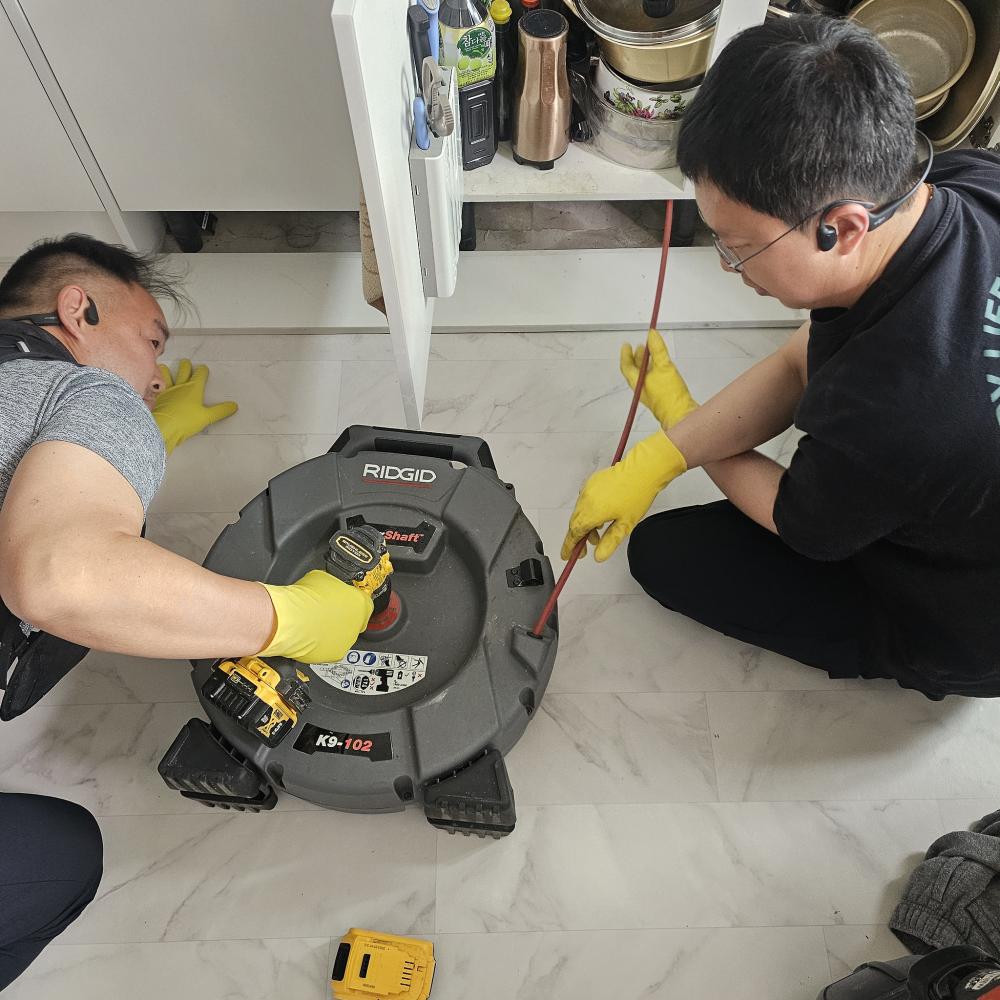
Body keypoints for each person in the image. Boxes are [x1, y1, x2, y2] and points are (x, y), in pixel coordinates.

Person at [562, 15, 1000, 700]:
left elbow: (799, 522)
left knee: (665, 557)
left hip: (963, 626)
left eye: (740, 247)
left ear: (843, 227)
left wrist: (677, 420)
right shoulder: (966, 184)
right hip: (958, 503)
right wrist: (665, 453)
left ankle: (915, 657)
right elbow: (807, 359)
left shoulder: (898, 416)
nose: (729, 266)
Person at [0, 234, 374, 988]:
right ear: (77, 310)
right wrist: (291, 617)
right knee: (59, 857)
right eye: (151, 340)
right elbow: (60, 579)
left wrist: (104, 463)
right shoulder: (90, 395)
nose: (158, 374)